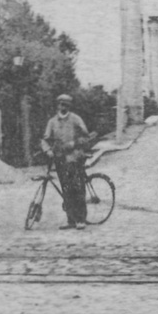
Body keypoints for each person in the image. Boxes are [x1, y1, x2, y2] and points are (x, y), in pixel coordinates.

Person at [41, 93, 93, 230]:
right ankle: (70, 220)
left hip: (75, 159)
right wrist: (48, 151)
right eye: (60, 104)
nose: (62, 106)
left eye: (65, 104)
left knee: (77, 188)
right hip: (60, 160)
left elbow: (86, 137)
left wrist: (74, 143)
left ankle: (81, 219)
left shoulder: (76, 119)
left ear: (69, 106)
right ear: (57, 105)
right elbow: (45, 139)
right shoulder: (52, 122)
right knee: (66, 190)